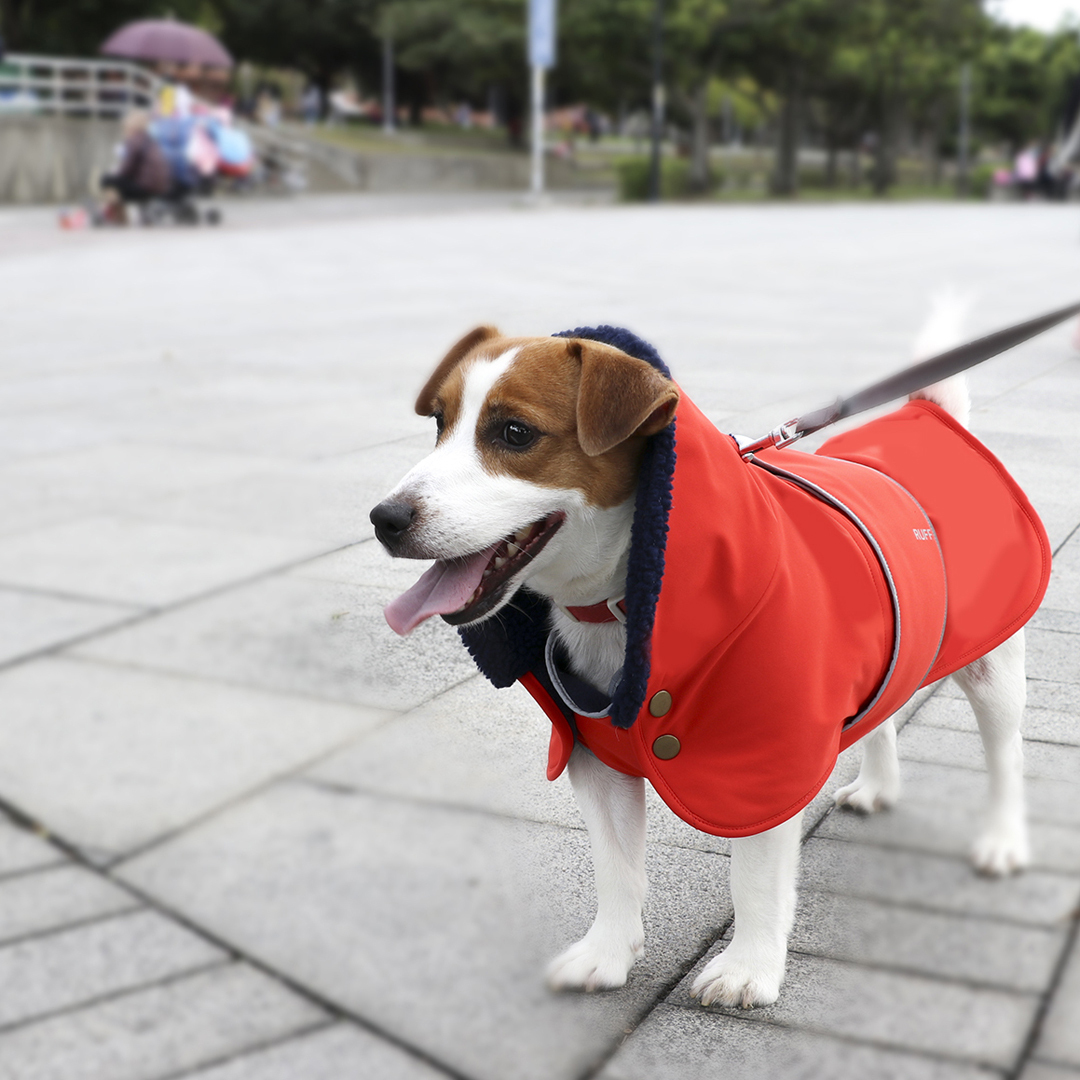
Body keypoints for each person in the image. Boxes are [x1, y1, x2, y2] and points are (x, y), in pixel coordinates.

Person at [99, 110, 172, 223]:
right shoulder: (150, 139)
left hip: (144, 188)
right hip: (161, 186)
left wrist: (114, 173)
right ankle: (116, 213)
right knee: (115, 181)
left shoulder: (134, 140)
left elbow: (126, 170)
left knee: (107, 179)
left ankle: (117, 216)